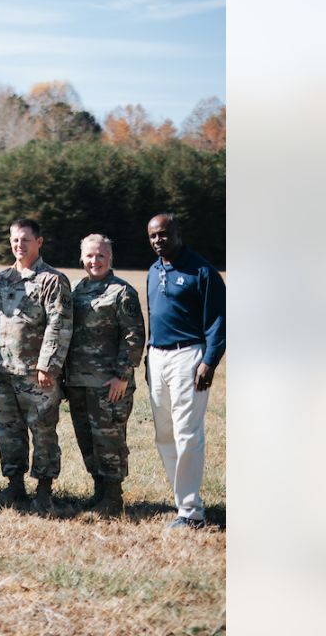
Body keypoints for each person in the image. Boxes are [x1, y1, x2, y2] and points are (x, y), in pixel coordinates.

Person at [0, 218, 73, 512]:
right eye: (14, 240)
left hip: (38, 375)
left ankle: (45, 490)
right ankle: (15, 486)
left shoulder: (52, 280)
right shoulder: (1, 280)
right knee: (8, 431)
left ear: (39, 242)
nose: (19, 245)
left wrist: (48, 365)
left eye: (25, 239)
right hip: (3, 373)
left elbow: (58, 325)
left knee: (44, 432)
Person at [145, 214, 225, 530]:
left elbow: (219, 321)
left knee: (187, 433)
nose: (158, 241)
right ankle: (182, 501)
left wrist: (209, 361)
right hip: (157, 357)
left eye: (163, 235)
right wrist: (150, 359)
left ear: (178, 233)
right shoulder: (154, 271)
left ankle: (191, 512)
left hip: (188, 356)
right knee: (164, 434)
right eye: (152, 236)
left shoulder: (202, 271)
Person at [64, 234, 145, 515]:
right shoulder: (75, 290)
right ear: (81, 258)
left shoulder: (122, 292)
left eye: (101, 255)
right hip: (78, 382)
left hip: (109, 384)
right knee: (86, 439)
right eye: (89, 255)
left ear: (110, 258)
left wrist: (122, 375)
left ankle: (113, 496)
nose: (94, 260)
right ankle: (99, 491)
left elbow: (133, 336)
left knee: (109, 440)